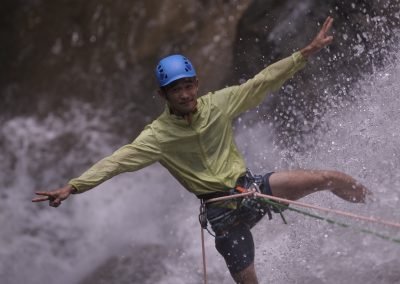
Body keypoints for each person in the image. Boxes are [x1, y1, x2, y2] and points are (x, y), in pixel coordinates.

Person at [33, 16, 369, 284]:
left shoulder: (218, 104)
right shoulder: (157, 136)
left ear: (196, 84)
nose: (184, 94)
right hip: (222, 216)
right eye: (174, 89)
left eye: (187, 85)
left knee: (327, 177)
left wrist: (305, 52)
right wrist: (73, 186)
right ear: (164, 95)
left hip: (250, 189)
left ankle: (375, 203)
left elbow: (261, 82)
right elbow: (116, 162)